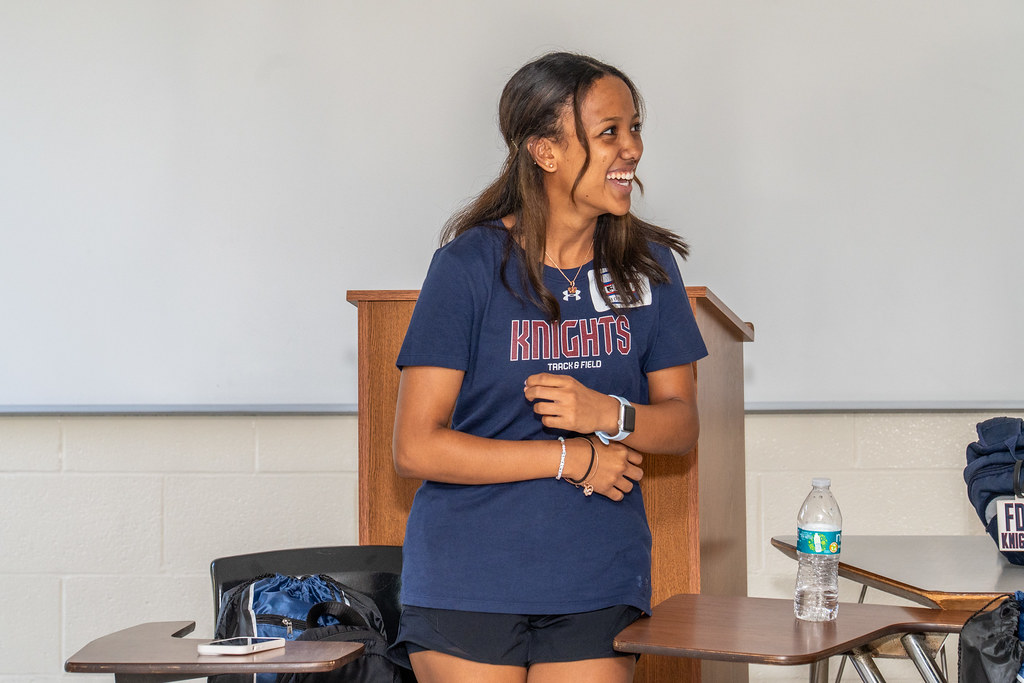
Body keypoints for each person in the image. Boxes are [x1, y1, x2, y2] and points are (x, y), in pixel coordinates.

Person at [388, 51, 708, 683]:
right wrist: (571, 458)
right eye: (609, 132)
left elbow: (682, 425)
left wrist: (607, 414)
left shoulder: (649, 268)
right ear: (545, 151)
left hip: (596, 579)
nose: (632, 149)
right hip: (466, 579)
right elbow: (416, 446)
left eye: (635, 128)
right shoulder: (468, 267)